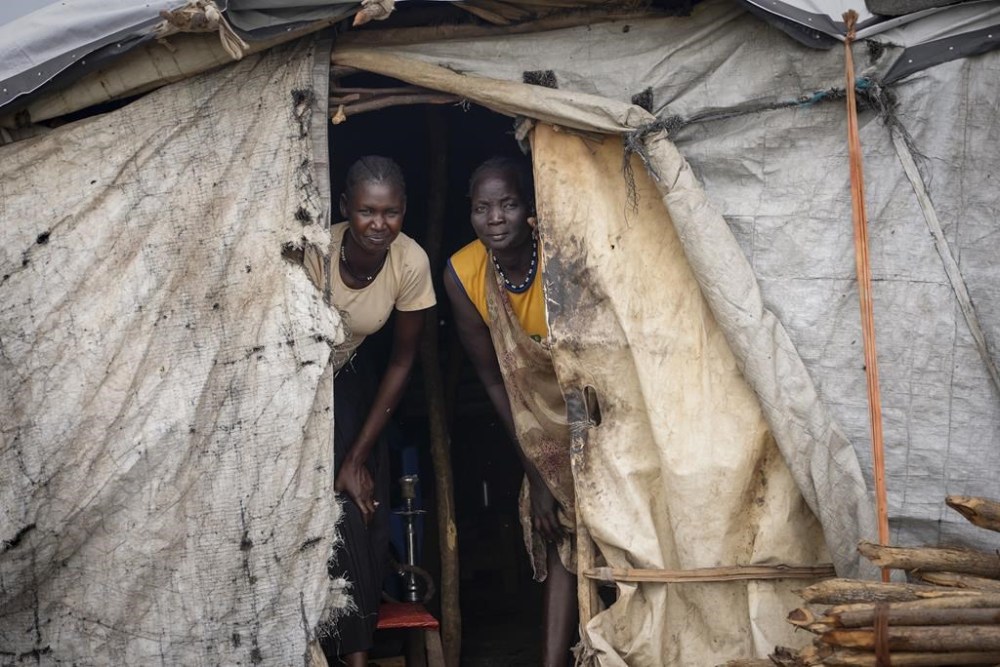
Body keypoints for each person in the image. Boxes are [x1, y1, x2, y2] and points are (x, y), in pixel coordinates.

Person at [444, 156, 577, 666]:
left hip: (599, 412)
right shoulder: (463, 274)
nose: (495, 218)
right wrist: (538, 475)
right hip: (536, 425)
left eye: (508, 204)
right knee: (559, 533)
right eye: (482, 208)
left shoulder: (564, 251)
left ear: (531, 209)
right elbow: (494, 378)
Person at [320, 156, 436, 666]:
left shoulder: (409, 262)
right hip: (294, 383)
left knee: (361, 499)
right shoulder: (315, 251)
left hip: (349, 377)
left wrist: (356, 457)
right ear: (346, 208)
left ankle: (358, 650)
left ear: (403, 211)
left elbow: (403, 360)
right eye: (367, 211)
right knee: (338, 502)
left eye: (390, 212)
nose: (378, 224)